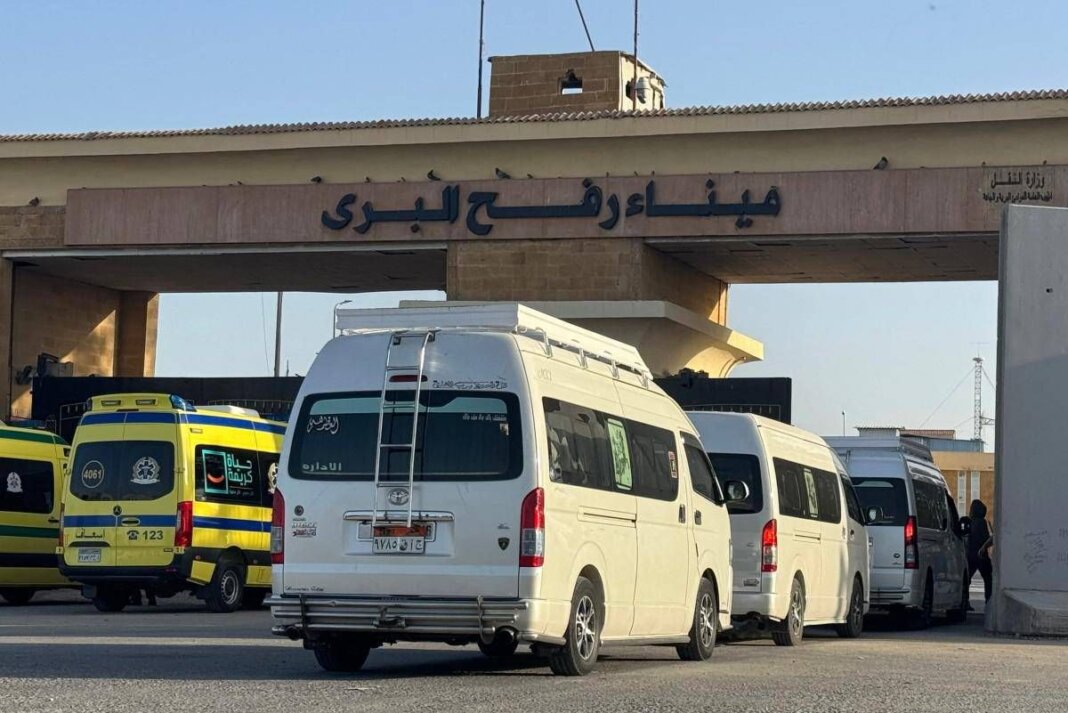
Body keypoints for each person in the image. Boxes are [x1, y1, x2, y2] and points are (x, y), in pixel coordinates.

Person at [966, 499, 994, 601]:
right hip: (981, 555)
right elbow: (985, 538)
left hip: (971, 554)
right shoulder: (982, 522)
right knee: (988, 579)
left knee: (967, 579)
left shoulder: (971, 522)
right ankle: (989, 599)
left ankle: (965, 600)